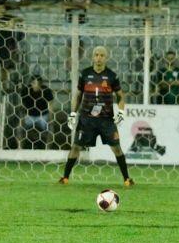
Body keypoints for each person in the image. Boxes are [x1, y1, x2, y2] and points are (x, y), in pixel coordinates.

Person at [58, 46, 134, 186]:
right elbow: (79, 95)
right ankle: (65, 178)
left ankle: (127, 179)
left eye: (102, 55)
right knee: (75, 147)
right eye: (96, 55)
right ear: (92, 57)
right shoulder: (85, 74)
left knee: (116, 148)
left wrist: (121, 112)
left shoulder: (112, 76)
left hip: (106, 120)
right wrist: (73, 113)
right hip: (87, 119)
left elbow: (120, 97)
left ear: (106, 58)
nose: (99, 58)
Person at [0, 0, 25, 87]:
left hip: (5, 48)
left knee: (4, 68)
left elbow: (21, 19)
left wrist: (14, 21)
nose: (1, 10)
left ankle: (4, 86)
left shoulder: (8, 18)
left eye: (3, 8)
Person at [16, 74, 55, 149]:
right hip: (29, 116)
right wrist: (21, 120)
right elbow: (22, 107)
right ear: (31, 83)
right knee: (19, 128)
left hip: (43, 116)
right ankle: (19, 148)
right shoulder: (26, 91)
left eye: (38, 84)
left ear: (41, 84)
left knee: (51, 129)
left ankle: (48, 150)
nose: (36, 86)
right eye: (34, 83)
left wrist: (51, 120)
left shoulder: (46, 91)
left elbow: (50, 107)